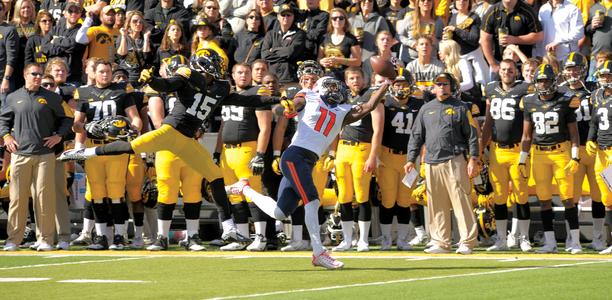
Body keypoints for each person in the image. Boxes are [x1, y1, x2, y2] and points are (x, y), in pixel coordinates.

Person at [59, 48, 277, 245]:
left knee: (216, 177)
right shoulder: (188, 76)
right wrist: (151, 79)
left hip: (188, 140)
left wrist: (275, 100)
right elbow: (167, 85)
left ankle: (228, 227)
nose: (217, 71)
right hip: (169, 132)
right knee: (130, 147)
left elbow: (241, 101)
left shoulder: (221, 86)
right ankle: (83, 152)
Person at [235, 76, 390, 269]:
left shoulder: (343, 111)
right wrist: (289, 107)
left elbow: (368, 106)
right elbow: (295, 104)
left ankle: (244, 189)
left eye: (337, 86)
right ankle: (319, 253)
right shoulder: (309, 95)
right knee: (313, 200)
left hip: (307, 162)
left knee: (279, 213)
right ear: (321, 87)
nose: (336, 89)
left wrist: (386, 84)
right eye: (331, 86)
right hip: (295, 156)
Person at [404, 72, 480, 255]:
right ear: (434, 87)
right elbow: (416, 136)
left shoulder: (461, 107)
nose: (442, 87)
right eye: (439, 84)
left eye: (445, 84)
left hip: (454, 159)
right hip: (431, 161)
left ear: (452, 87)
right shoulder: (426, 108)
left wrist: (473, 158)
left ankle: (467, 241)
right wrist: (410, 159)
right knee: (436, 204)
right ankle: (441, 241)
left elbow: (472, 135)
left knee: (461, 201)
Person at [72, 60, 143, 250]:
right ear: (94, 73)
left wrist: (134, 130)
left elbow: (135, 117)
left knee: (116, 192)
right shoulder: (85, 93)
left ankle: (119, 236)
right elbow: (76, 125)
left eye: (108, 71)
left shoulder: (121, 90)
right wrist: (86, 127)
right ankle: (101, 237)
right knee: (96, 192)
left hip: (116, 147)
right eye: (101, 72)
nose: (105, 75)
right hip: (93, 147)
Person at [0, 63, 72, 251]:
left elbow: (68, 118)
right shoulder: (13, 97)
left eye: (40, 74)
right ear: (25, 75)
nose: (38, 77)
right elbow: (3, 120)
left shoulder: (52, 97)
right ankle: (13, 240)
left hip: (45, 155)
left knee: (44, 198)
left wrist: (59, 136)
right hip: (20, 154)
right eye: (34, 74)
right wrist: (6, 136)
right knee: (17, 198)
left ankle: (46, 239)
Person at [519, 63, 582, 254]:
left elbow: (574, 133)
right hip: (539, 154)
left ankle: (575, 242)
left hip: (561, 152)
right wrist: (522, 158)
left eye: (546, 80)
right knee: (544, 199)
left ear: (554, 81)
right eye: (539, 80)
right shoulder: (529, 101)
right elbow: (527, 135)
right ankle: (550, 242)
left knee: (567, 198)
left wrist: (575, 156)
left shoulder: (565, 100)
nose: (543, 84)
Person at [145, 54, 206, 251]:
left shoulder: (194, 87)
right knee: (167, 191)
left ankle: (193, 236)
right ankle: (162, 237)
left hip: (191, 144)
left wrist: (199, 126)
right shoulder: (160, 91)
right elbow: (158, 121)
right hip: (169, 146)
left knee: (192, 191)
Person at [217, 63, 272, 251]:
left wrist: (260, 155)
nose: (243, 76)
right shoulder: (229, 95)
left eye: (247, 73)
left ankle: (261, 237)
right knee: (234, 197)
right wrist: (217, 152)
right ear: (232, 75)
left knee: (252, 194)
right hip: (227, 151)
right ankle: (241, 238)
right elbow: (223, 127)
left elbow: (265, 127)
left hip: (247, 149)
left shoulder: (257, 92)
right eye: (239, 72)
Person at [480, 59, 532, 252]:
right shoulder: (491, 89)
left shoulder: (524, 89)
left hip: (517, 148)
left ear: (515, 72)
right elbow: (487, 122)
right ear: (498, 71)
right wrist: (479, 150)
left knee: (521, 194)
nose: (506, 72)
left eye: (510, 70)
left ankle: (523, 238)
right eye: (503, 70)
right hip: (496, 149)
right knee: (500, 196)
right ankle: (501, 238)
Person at [332, 66, 384, 252]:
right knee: (344, 195)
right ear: (346, 81)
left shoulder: (371, 97)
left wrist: (373, 156)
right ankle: (347, 240)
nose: (355, 81)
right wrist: (333, 154)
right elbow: (335, 129)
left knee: (362, 195)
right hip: (342, 149)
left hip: (362, 148)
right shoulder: (342, 98)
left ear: (364, 80)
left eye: (358, 78)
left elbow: (378, 130)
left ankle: (363, 240)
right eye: (351, 78)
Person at [560, 53, 606, 252]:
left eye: (576, 68)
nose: (572, 72)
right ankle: (573, 238)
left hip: (596, 149)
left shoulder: (595, 90)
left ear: (584, 69)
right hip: (571, 150)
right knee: (571, 196)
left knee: (599, 195)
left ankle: (599, 237)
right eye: (569, 68)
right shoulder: (560, 93)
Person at [378, 69, 424, 250]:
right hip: (387, 155)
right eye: (397, 84)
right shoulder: (385, 102)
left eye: (404, 84)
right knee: (388, 200)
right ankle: (386, 238)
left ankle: (403, 238)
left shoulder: (419, 104)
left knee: (405, 200)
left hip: (409, 158)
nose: (400, 88)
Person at [587, 60, 612, 254]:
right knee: (606, 198)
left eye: (608, 75)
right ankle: (609, 241)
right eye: (603, 76)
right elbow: (594, 122)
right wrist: (590, 139)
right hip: (601, 152)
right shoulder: (595, 95)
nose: (605, 79)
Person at [480, 0, 543, 74]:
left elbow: (539, 36)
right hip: (499, 64)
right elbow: (484, 39)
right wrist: (493, 64)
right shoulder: (492, 11)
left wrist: (515, 39)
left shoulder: (527, 11)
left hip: (522, 65)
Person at [40, 2, 85, 84]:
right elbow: (44, 48)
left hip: (72, 78)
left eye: (77, 12)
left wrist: (56, 41)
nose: (73, 14)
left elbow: (73, 45)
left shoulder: (82, 31)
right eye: (70, 11)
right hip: (52, 76)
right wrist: (65, 47)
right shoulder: (54, 29)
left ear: (80, 14)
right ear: (64, 13)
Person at [261, 3, 306, 84]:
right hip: (272, 78)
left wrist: (273, 50)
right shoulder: (270, 34)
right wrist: (285, 55)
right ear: (278, 17)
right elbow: (264, 55)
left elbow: (291, 52)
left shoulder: (300, 34)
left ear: (293, 17)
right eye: (283, 15)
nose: (286, 17)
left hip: (290, 78)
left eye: (288, 15)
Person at [318, 7, 361, 81]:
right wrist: (322, 62)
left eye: (341, 18)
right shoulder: (324, 37)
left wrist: (338, 60)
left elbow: (357, 62)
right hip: (326, 78)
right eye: (334, 18)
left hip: (343, 78)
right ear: (331, 21)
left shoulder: (351, 39)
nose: (338, 20)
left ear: (345, 20)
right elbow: (319, 58)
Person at [116, 10, 153, 87]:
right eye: (135, 21)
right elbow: (121, 55)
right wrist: (123, 36)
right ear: (129, 23)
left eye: (141, 22)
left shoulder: (145, 38)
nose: (138, 24)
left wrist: (146, 38)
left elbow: (147, 58)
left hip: (142, 77)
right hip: (126, 76)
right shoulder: (122, 37)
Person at [0, 1, 19, 99]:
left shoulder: (9, 30)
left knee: (5, 113)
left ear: (4, 11)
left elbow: (11, 58)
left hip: (3, 79)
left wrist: (6, 79)